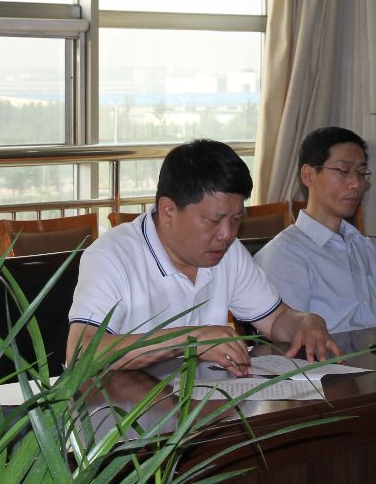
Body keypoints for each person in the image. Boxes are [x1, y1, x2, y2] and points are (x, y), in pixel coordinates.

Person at [66, 139, 339, 376]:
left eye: (236, 219)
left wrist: (304, 322)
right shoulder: (111, 256)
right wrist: (190, 340)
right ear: (168, 210)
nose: (227, 234)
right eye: (213, 220)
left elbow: (275, 320)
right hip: (125, 413)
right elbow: (81, 355)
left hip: (204, 405)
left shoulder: (228, 252)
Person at [254, 127, 376, 332]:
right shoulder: (284, 254)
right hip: (332, 352)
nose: (356, 184)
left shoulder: (363, 246)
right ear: (308, 175)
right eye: (344, 171)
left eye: (361, 173)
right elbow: (288, 337)